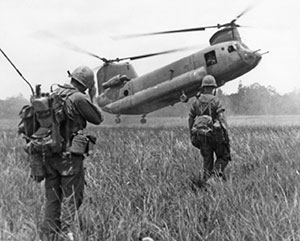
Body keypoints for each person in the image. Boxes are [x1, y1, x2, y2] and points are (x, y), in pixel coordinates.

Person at [34, 66, 103, 241]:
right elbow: (98, 118)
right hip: (69, 159)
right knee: (72, 199)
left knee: (52, 199)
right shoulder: (78, 97)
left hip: (49, 155)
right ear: (87, 84)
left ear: (72, 78)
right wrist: (93, 96)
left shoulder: (53, 93)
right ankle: (67, 235)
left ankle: (49, 235)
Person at [188, 75, 231, 186]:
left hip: (201, 135)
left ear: (203, 88)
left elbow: (191, 118)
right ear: (213, 88)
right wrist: (225, 131)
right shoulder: (216, 100)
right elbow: (221, 117)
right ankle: (215, 176)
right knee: (224, 156)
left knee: (207, 160)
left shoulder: (196, 102)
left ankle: (205, 183)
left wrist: (191, 132)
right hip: (215, 134)